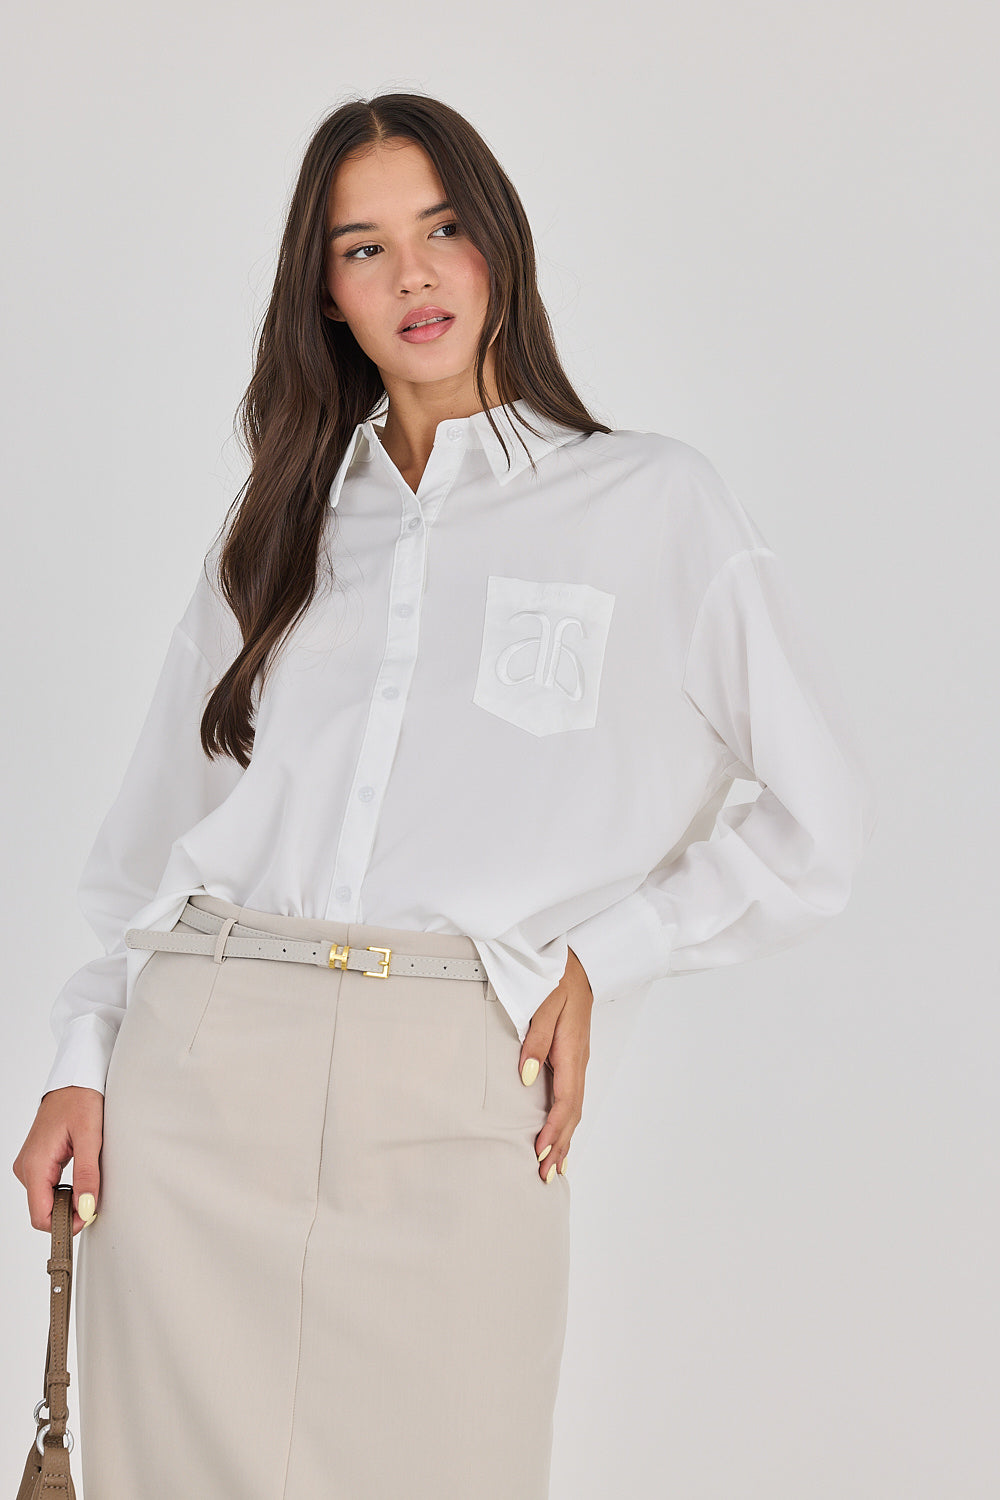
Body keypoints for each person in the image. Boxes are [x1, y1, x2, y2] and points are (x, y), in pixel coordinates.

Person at [12, 90, 878, 1499]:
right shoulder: (278, 532)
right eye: (363, 248)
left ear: (500, 247)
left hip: (461, 1075)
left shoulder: (652, 502)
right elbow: (142, 856)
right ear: (325, 293)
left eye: (443, 228)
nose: (413, 275)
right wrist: (78, 1055)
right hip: (205, 1065)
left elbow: (815, 816)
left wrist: (607, 954)